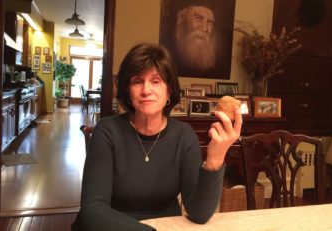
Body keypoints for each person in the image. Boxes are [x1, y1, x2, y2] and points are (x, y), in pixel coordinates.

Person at [72, 43, 242, 230]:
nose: (146, 90)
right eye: (137, 81)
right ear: (128, 90)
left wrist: (215, 158)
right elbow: (93, 209)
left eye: (155, 81)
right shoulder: (107, 131)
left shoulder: (184, 136)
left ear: (169, 89)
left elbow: (199, 213)